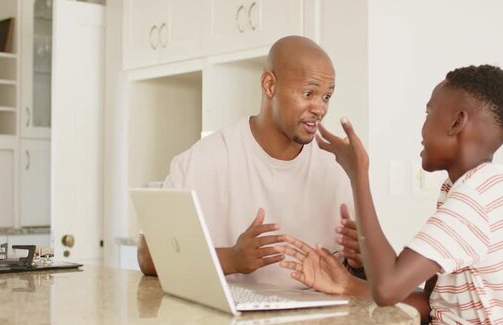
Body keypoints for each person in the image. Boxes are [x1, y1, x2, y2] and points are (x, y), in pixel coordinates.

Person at [276, 65, 503, 325]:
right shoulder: (484, 187)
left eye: (429, 113)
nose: (422, 129)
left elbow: (388, 288)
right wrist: (348, 285)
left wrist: (358, 173)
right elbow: (431, 301)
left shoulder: (475, 198)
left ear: (457, 122)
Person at [136, 35, 364, 288]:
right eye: (309, 93)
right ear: (269, 85)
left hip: (319, 324)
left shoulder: (337, 167)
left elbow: (362, 280)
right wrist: (231, 258)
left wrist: (359, 263)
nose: (320, 109)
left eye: (326, 97)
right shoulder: (205, 159)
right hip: (231, 323)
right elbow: (147, 256)